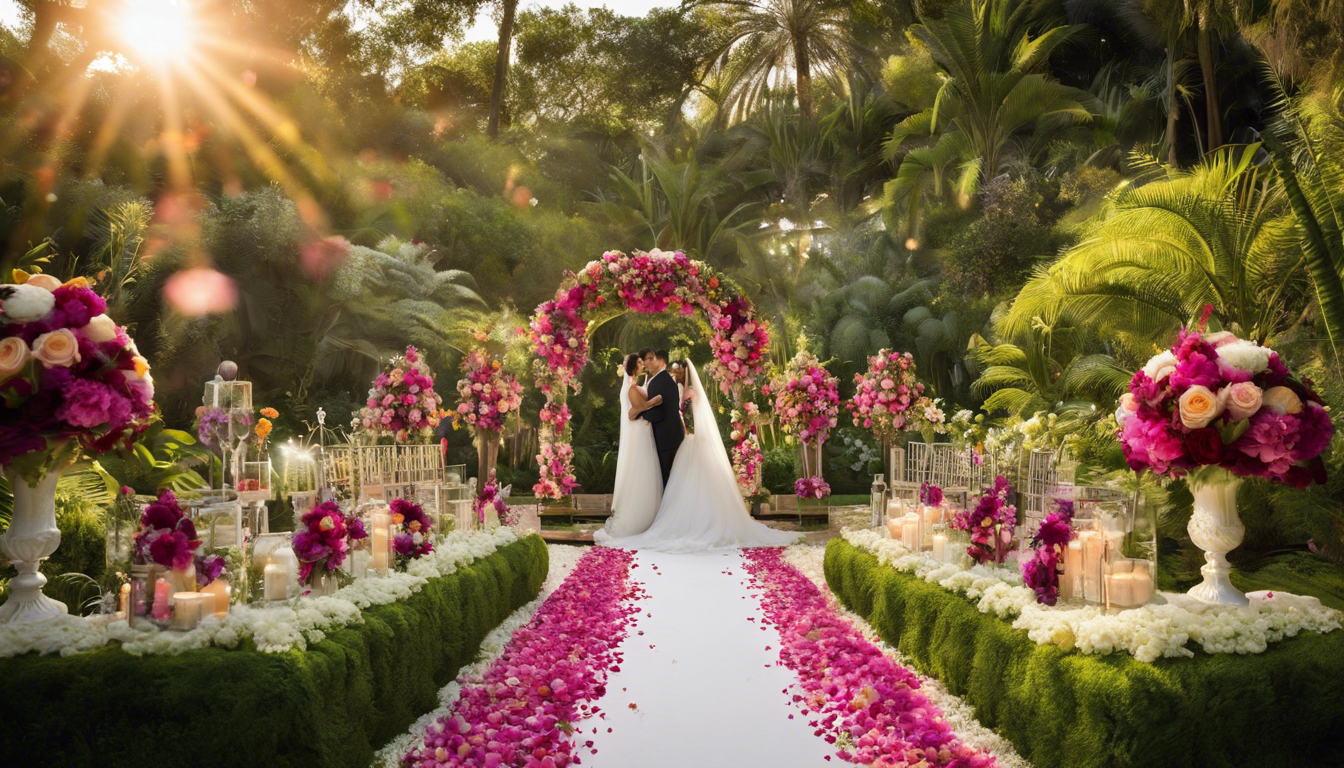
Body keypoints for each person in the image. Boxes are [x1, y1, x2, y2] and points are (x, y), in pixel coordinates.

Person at [604, 358, 799, 553]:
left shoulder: (689, 393)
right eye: (674, 371)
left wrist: (689, 433)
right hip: (686, 440)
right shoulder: (678, 389)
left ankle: (693, 521)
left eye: (678, 371)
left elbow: (689, 417)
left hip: (692, 440)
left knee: (691, 482)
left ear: (686, 372)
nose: (676, 374)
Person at [595, 352, 664, 543]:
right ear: (634, 366)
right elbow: (631, 413)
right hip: (638, 433)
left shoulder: (632, 384)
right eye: (640, 363)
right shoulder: (630, 386)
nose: (643, 365)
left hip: (641, 433)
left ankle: (649, 516)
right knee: (641, 471)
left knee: (644, 472)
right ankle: (639, 518)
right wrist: (653, 402)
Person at [639, 349, 683, 488]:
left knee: (666, 480)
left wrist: (640, 413)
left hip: (665, 438)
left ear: (660, 361)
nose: (648, 363)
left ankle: (668, 509)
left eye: (651, 359)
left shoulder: (660, 382)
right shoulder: (662, 380)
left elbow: (658, 414)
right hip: (671, 436)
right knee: (670, 479)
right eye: (647, 359)